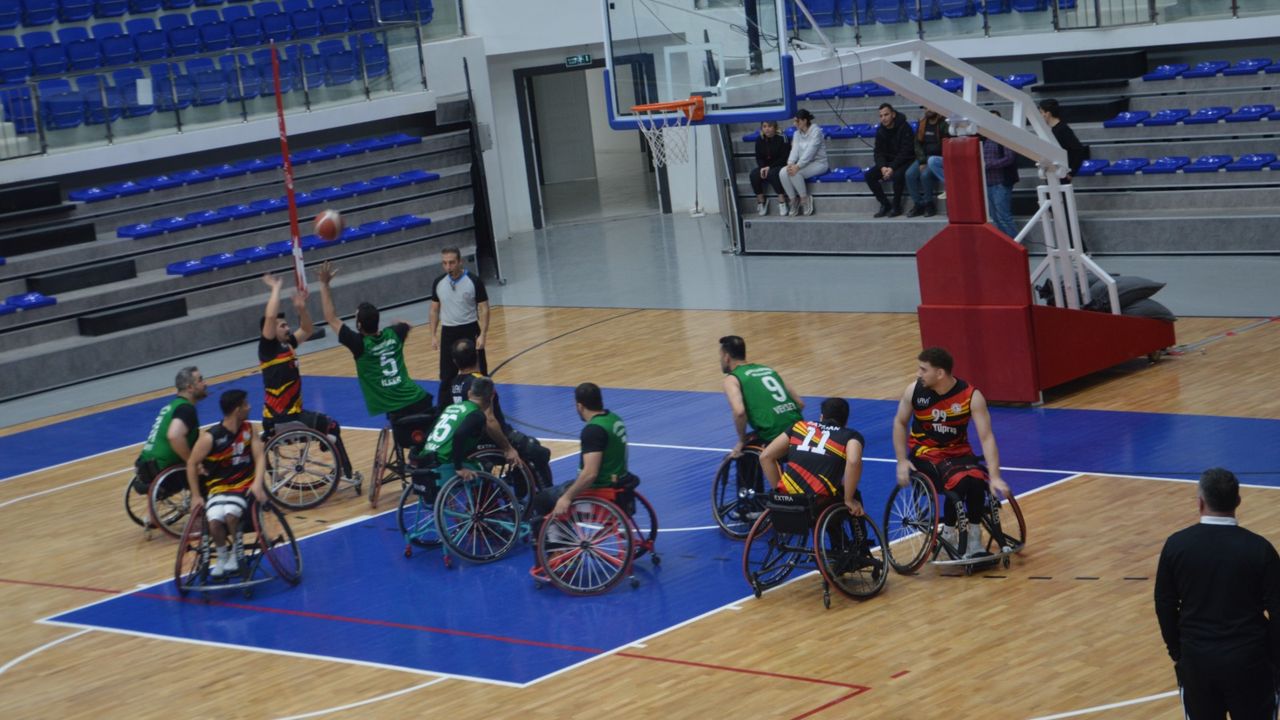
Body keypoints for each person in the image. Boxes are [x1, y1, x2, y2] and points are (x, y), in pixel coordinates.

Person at [1155, 468, 1280, 720]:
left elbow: (1165, 605)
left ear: (1200, 502)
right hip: (1250, 661)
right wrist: (1275, 660)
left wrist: (1178, 652)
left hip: (1197, 662)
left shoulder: (1176, 545)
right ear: (1238, 501)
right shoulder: (1260, 549)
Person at [891, 347, 1010, 558]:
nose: (918, 373)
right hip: (925, 452)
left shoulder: (971, 396)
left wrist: (995, 476)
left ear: (940, 373)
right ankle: (949, 532)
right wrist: (901, 460)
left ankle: (974, 537)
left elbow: (987, 437)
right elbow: (900, 422)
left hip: (958, 451)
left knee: (976, 481)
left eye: (923, 369)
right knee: (959, 482)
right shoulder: (914, 391)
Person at [257, 274, 354, 482]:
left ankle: (336, 461)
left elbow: (308, 329)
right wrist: (275, 288)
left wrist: (302, 309)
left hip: (292, 415)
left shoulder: (287, 345)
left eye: (286, 325)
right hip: (282, 418)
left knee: (329, 426)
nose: (287, 328)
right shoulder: (267, 349)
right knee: (332, 426)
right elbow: (270, 316)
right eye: (282, 326)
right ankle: (345, 472)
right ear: (270, 329)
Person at [317, 261, 434, 423]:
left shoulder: (359, 344)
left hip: (398, 407)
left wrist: (324, 285)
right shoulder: (394, 333)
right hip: (419, 398)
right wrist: (398, 323)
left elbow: (330, 318)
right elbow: (407, 324)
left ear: (359, 325)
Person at [443, 337, 553, 491]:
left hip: (470, 439)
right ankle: (548, 497)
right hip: (488, 437)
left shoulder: (455, 383)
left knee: (529, 448)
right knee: (538, 452)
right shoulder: (480, 382)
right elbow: (489, 421)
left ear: (455, 361)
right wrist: (507, 448)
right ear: (476, 355)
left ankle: (520, 488)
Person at [186, 389, 268, 579]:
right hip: (219, 488)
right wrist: (196, 495)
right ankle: (223, 557)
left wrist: (257, 483)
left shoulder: (249, 430)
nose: (250, 407)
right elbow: (191, 463)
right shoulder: (210, 437)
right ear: (237, 410)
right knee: (214, 521)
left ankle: (236, 555)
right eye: (246, 404)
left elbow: (260, 457)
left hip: (244, 486)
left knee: (231, 514)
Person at [531, 382, 635, 521]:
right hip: (618, 482)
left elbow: (590, 474)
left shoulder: (593, 430)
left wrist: (567, 498)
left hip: (598, 489)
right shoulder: (614, 419)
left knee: (542, 500)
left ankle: (556, 534)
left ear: (579, 406)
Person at [759, 397, 865, 518]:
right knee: (851, 495)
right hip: (816, 501)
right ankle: (856, 529)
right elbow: (853, 461)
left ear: (821, 416)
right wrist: (849, 499)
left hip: (788, 496)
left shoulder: (798, 426)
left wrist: (779, 493)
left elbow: (765, 456)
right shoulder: (850, 436)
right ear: (846, 421)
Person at [417, 376, 516, 491]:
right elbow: (459, 435)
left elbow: (428, 432)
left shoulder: (451, 407)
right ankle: (493, 499)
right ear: (491, 397)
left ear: (469, 393)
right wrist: (458, 467)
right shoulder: (476, 414)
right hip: (444, 462)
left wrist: (415, 454)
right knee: (486, 467)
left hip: (426, 457)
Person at [719, 334, 805, 458]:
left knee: (746, 453)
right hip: (802, 431)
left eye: (721, 356)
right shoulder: (769, 370)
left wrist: (742, 440)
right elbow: (800, 404)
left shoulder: (732, 379)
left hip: (774, 437)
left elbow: (739, 412)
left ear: (727, 357)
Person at [134, 365, 208, 494]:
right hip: (164, 474)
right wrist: (192, 462)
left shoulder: (171, 406)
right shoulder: (186, 409)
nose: (205, 384)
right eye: (200, 380)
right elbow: (174, 436)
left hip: (144, 468)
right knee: (214, 465)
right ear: (190, 388)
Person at [429, 247, 490, 395]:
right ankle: (444, 407)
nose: (448, 267)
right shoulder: (438, 282)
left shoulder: (474, 281)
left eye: (451, 262)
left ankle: (486, 405)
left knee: (479, 374)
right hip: (448, 332)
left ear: (460, 262)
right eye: (445, 263)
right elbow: (434, 310)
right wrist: (433, 335)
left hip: (470, 329)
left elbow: (484, 309)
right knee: (446, 376)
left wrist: (483, 334)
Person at [865, 103, 915, 218]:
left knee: (898, 175)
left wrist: (892, 167)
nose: (883, 118)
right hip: (888, 163)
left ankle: (896, 206)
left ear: (893, 114)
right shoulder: (880, 131)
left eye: (886, 115)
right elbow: (878, 152)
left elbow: (906, 151)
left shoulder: (904, 127)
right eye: (881, 116)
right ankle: (885, 204)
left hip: (905, 160)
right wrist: (883, 167)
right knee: (869, 175)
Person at [779, 108, 828, 216]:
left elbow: (810, 152)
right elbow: (794, 150)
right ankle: (793, 200)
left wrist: (798, 166)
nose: (794, 124)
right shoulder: (797, 134)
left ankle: (805, 199)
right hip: (804, 164)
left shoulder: (816, 131)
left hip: (819, 163)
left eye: (797, 121)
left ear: (805, 120)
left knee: (795, 173)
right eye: (794, 121)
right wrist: (790, 164)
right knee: (783, 172)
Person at [982, 110, 1020, 238]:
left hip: (1001, 182)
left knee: (1004, 216)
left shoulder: (1004, 137)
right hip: (988, 182)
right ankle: (1007, 244)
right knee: (995, 217)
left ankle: (1016, 245)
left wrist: (989, 164)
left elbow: (1010, 158)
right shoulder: (984, 137)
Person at [906, 109, 948, 217]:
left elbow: (947, 143)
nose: (928, 109)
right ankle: (918, 204)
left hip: (937, 158)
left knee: (925, 175)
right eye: (926, 107)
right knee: (909, 174)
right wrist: (922, 161)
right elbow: (917, 144)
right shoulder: (922, 123)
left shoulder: (944, 123)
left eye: (930, 107)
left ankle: (929, 204)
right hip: (924, 157)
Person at [1038, 99, 1087, 180]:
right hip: (1052, 171)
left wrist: (1071, 172)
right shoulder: (1050, 130)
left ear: (1048, 114)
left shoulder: (1063, 129)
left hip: (1062, 172)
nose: (1040, 115)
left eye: (1041, 112)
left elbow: (1078, 150)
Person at [750, 120, 791, 216]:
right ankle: (761, 202)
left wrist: (769, 167)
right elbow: (759, 157)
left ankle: (782, 201)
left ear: (775, 127)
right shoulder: (759, 139)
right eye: (764, 126)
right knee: (754, 174)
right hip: (766, 166)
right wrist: (762, 167)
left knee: (772, 174)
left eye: (769, 126)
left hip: (780, 164)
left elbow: (785, 157)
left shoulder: (782, 137)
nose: (767, 129)